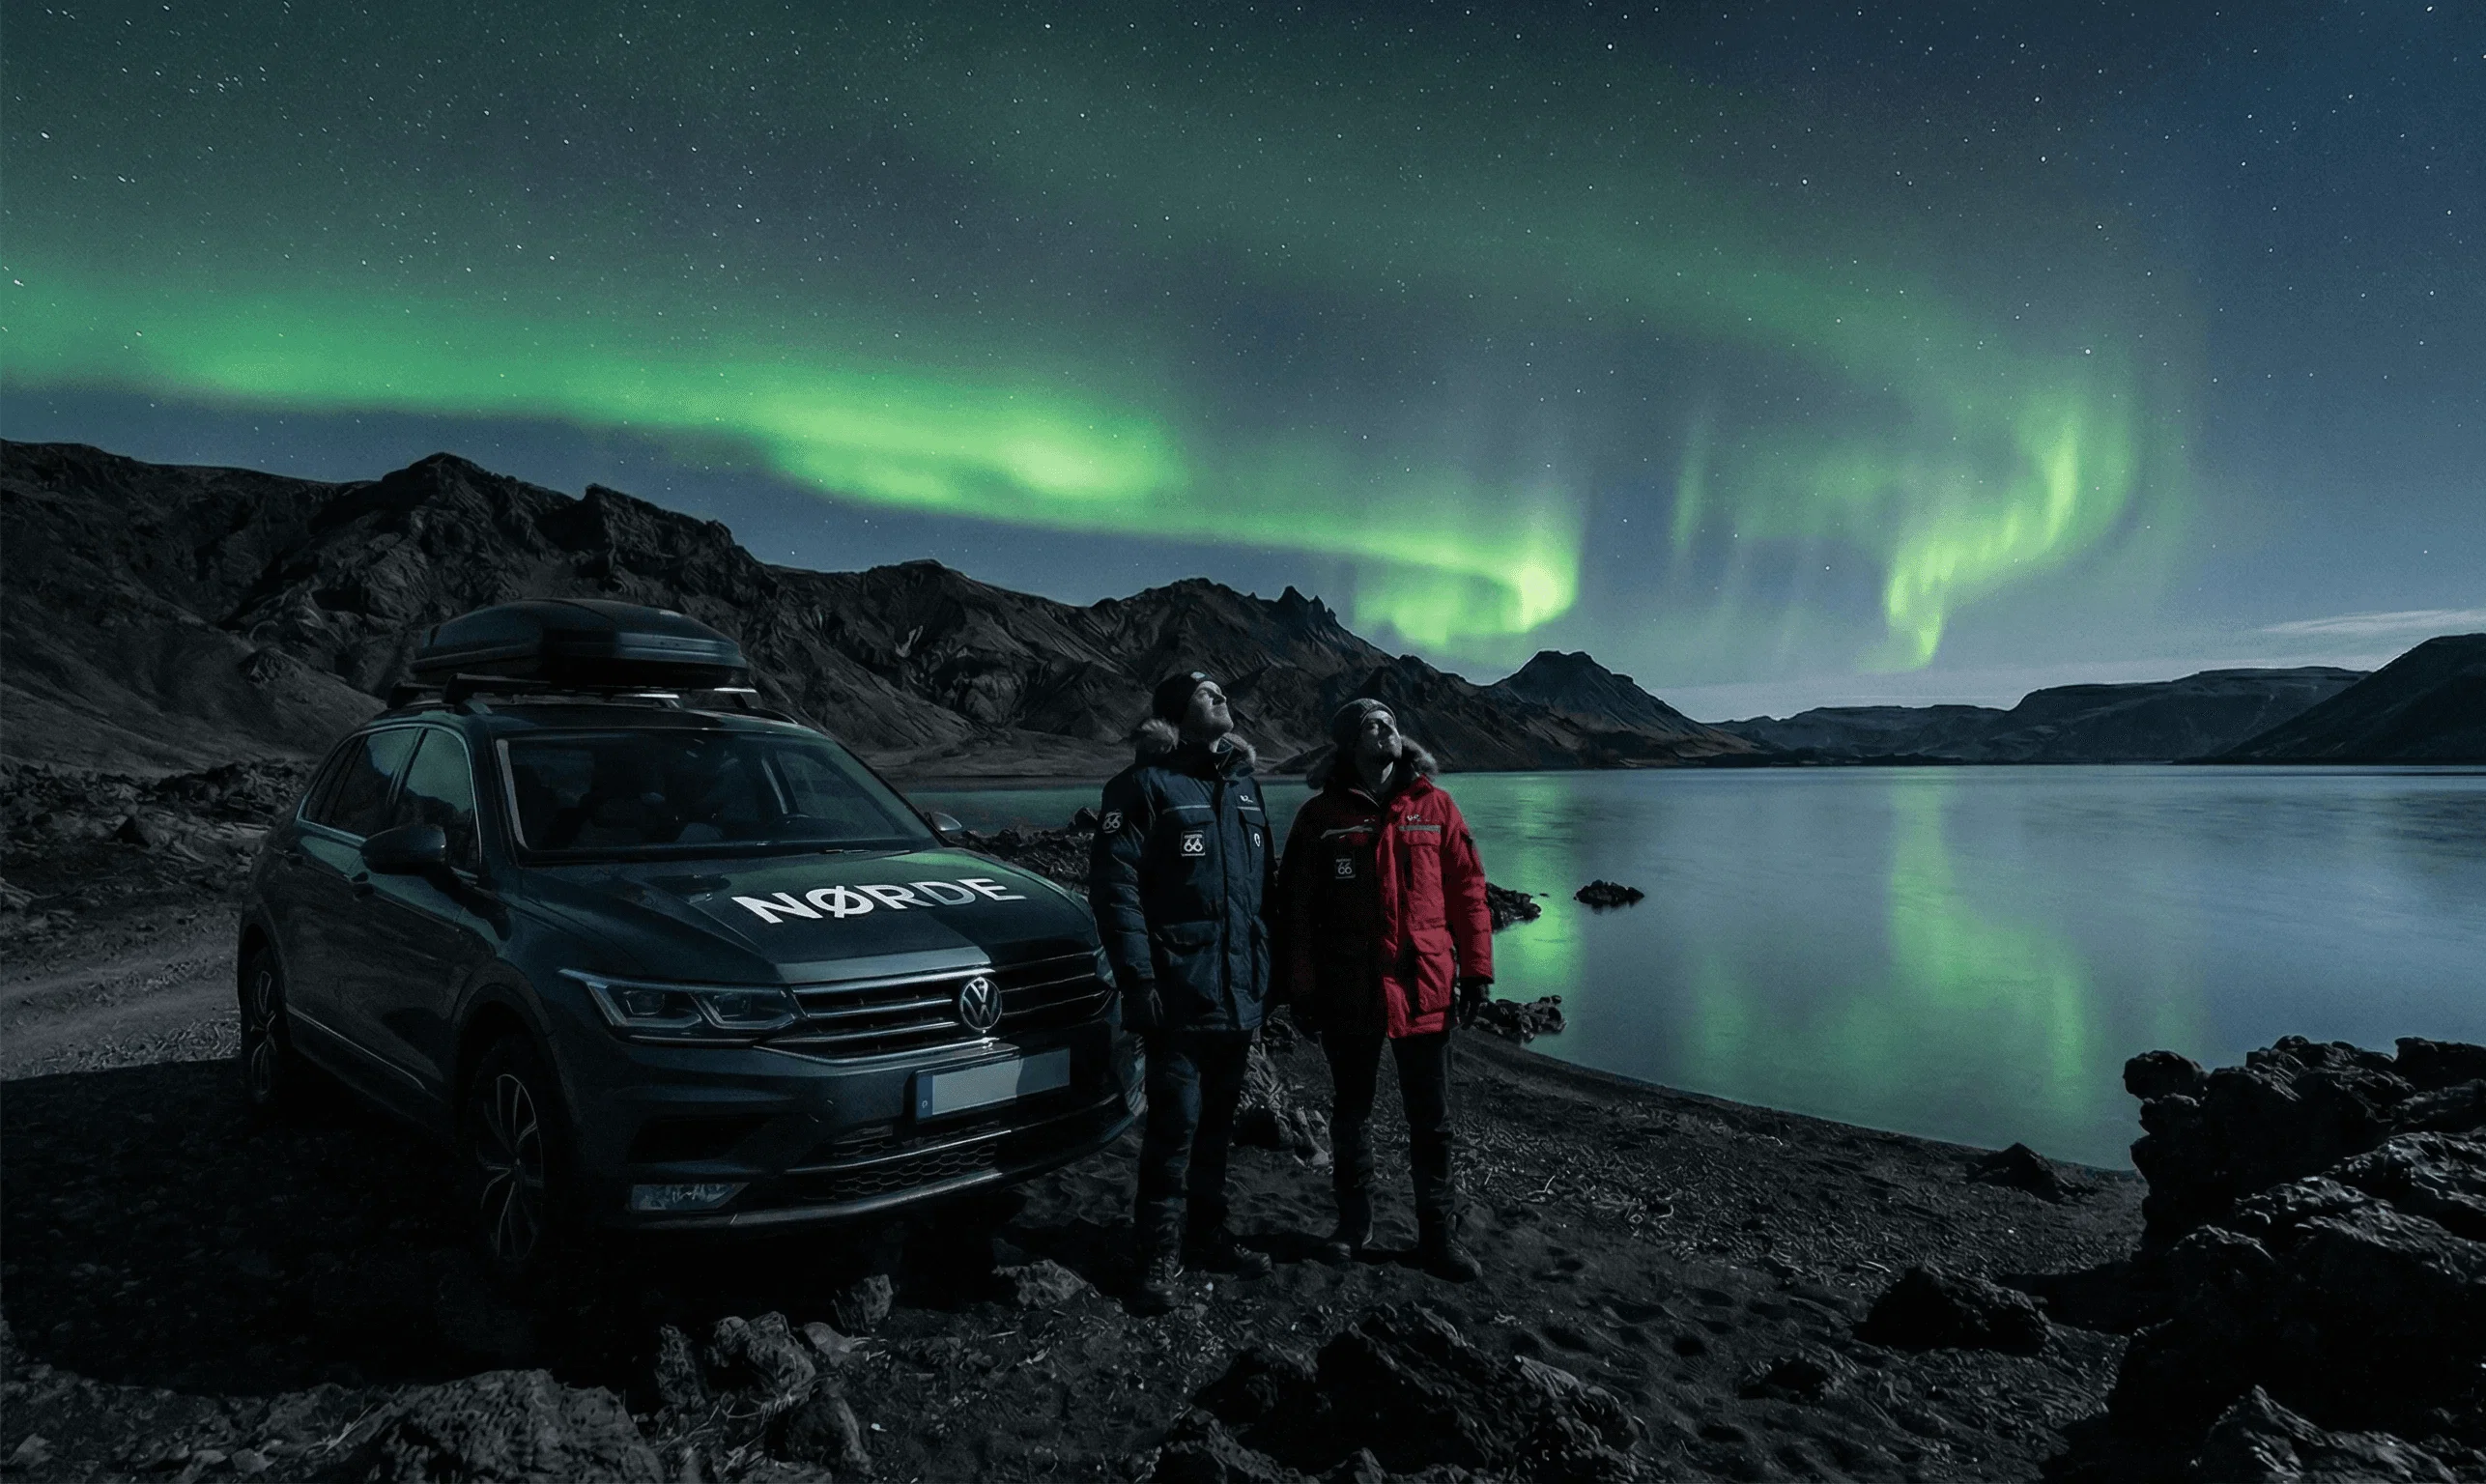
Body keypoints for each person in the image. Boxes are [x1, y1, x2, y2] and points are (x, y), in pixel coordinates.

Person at [1277, 699, 1492, 1282]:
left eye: (1392, 722)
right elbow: (1295, 911)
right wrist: (1300, 989)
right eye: (1372, 725)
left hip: (1423, 986)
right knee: (1351, 1114)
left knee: (1433, 1120)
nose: (1387, 729)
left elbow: (1468, 890)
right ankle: (1352, 1226)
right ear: (1348, 745)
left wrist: (1475, 971)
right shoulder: (1320, 818)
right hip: (1349, 987)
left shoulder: (1436, 807)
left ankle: (1437, 1236)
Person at [1091, 670, 1280, 1314]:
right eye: (1206, 693)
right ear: (1174, 714)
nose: (1222, 697)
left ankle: (1208, 1235)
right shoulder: (1143, 787)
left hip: (1235, 991)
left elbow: (1263, 898)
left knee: (1219, 1126)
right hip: (1176, 991)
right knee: (1175, 1126)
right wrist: (1138, 978)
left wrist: (1268, 979)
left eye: (1224, 689)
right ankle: (1157, 1256)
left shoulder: (1244, 789)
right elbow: (1115, 891)